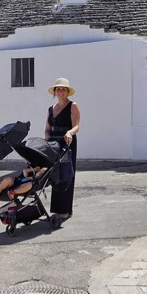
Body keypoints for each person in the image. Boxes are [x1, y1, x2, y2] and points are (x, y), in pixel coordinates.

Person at [45, 77, 80, 219]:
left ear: (67, 92)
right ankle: (57, 208)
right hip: (54, 143)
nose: (61, 91)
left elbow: (77, 126)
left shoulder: (73, 105)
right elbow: (47, 129)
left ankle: (66, 210)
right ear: (55, 91)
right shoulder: (50, 109)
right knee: (55, 174)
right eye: (58, 89)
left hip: (67, 141)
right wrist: (47, 140)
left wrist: (69, 132)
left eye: (63, 89)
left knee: (66, 173)